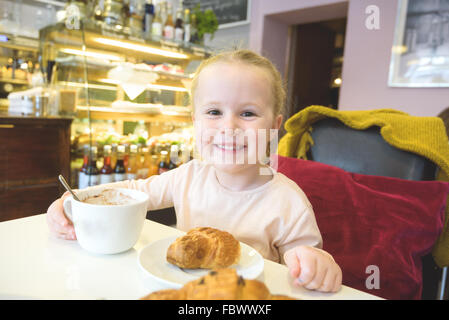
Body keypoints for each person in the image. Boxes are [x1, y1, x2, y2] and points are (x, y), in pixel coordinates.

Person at [47, 49, 342, 293]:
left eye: (248, 113)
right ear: (194, 121)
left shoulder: (288, 200)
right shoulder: (188, 176)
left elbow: (304, 259)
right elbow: (131, 193)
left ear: (274, 127)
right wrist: (74, 200)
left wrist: (315, 263)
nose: (229, 127)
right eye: (214, 112)